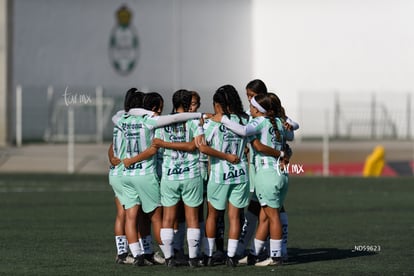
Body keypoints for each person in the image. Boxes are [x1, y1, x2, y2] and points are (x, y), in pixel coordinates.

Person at [111, 91, 204, 266]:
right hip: (150, 174)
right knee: (159, 218)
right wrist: (200, 115)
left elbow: (114, 132)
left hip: (125, 173)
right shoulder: (152, 122)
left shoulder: (121, 120)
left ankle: (138, 254)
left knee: (130, 216)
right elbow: (160, 144)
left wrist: (119, 159)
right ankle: (172, 256)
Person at [219, 93, 291, 266]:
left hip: (266, 174)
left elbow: (243, 130)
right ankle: (254, 254)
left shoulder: (259, 122)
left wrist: (223, 120)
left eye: (252, 106)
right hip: (281, 175)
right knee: (265, 217)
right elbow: (291, 136)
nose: (249, 109)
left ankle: (275, 256)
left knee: (273, 217)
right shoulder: (280, 123)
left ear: (259, 110)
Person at [197, 85, 250, 267]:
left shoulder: (215, 122)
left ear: (218, 104)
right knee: (235, 217)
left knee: (213, 215)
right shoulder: (244, 120)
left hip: (220, 175)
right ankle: (231, 257)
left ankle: (209, 255)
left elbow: (204, 146)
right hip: (241, 174)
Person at [152, 89, 204, 267]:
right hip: (191, 175)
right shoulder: (193, 120)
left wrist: (166, 144)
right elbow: (194, 146)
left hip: (170, 176)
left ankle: (169, 258)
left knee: (168, 219)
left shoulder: (162, 122)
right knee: (192, 219)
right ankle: (193, 258)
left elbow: (158, 145)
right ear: (187, 102)